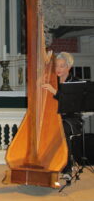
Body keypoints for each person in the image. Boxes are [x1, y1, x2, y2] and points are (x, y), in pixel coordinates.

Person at [42, 52, 82, 180]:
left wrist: (54, 91)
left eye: (62, 66)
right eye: (56, 66)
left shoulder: (75, 82)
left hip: (72, 120)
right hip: (55, 118)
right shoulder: (51, 81)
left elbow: (72, 104)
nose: (58, 69)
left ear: (68, 67)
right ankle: (48, 164)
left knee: (62, 129)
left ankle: (67, 168)